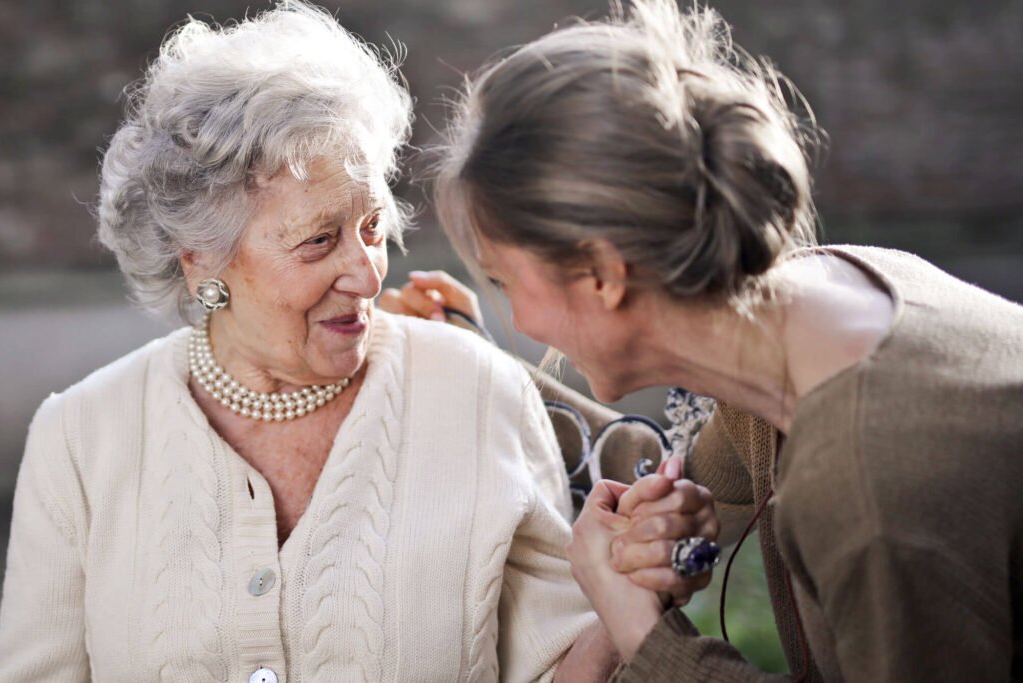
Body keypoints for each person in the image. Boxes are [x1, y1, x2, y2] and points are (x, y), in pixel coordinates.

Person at [0, 3, 698, 680]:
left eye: (371, 226)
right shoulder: (80, 439)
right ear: (200, 257)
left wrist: (620, 597)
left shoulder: (479, 392)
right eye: (318, 241)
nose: (366, 274)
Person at [386, 0, 1023, 680]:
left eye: (504, 279)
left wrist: (645, 632)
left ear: (602, 273)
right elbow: (676, 481)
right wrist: (471, 363)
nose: (524, 319)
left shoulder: (869, 487)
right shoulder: (810, 307)